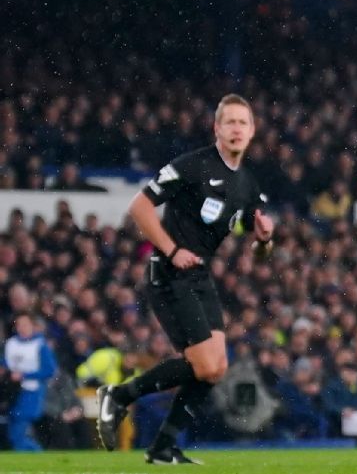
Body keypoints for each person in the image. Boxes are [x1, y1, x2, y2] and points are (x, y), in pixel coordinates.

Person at [95, 94, 275, 464]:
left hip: (199, 275)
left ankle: (163, 447)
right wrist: (172, 250)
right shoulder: (192, 165)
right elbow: (139, 207)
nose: (237, 129)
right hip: (169, 271)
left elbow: (258, 255)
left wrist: (264, 240)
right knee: (206, 366)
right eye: (231, 122)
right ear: (217, 128)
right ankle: (119, 396)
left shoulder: (246, 185)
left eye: (244, 123)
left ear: (253, 131)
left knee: (216, 369)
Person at [4, 313, 57, 451]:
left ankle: (36, 453)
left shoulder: (40, 345)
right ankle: (33, 455)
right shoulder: (11, 343)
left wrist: (25, 375)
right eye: (19, 325)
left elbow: (49, 370)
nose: (22, 328)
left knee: (18, 430)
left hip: (32, 391)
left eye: (25, 324)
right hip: (13, 390)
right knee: (14, 430)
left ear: (33, 326)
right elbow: (5, 363)